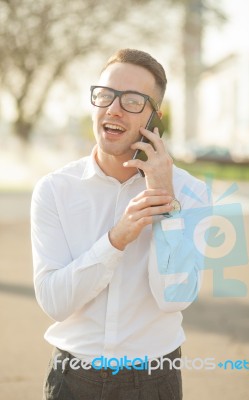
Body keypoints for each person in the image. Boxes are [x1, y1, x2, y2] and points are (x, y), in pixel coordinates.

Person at [31, 48, 209, 400]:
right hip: (71, 378)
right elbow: (54, 302)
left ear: (155, 118)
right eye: (105, 95)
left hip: (154, 380)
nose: (113, 108)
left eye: (132, 100)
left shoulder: (191, 192)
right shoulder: (54, 190)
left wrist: (165, 200)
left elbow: (175, 298)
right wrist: (115, 240)